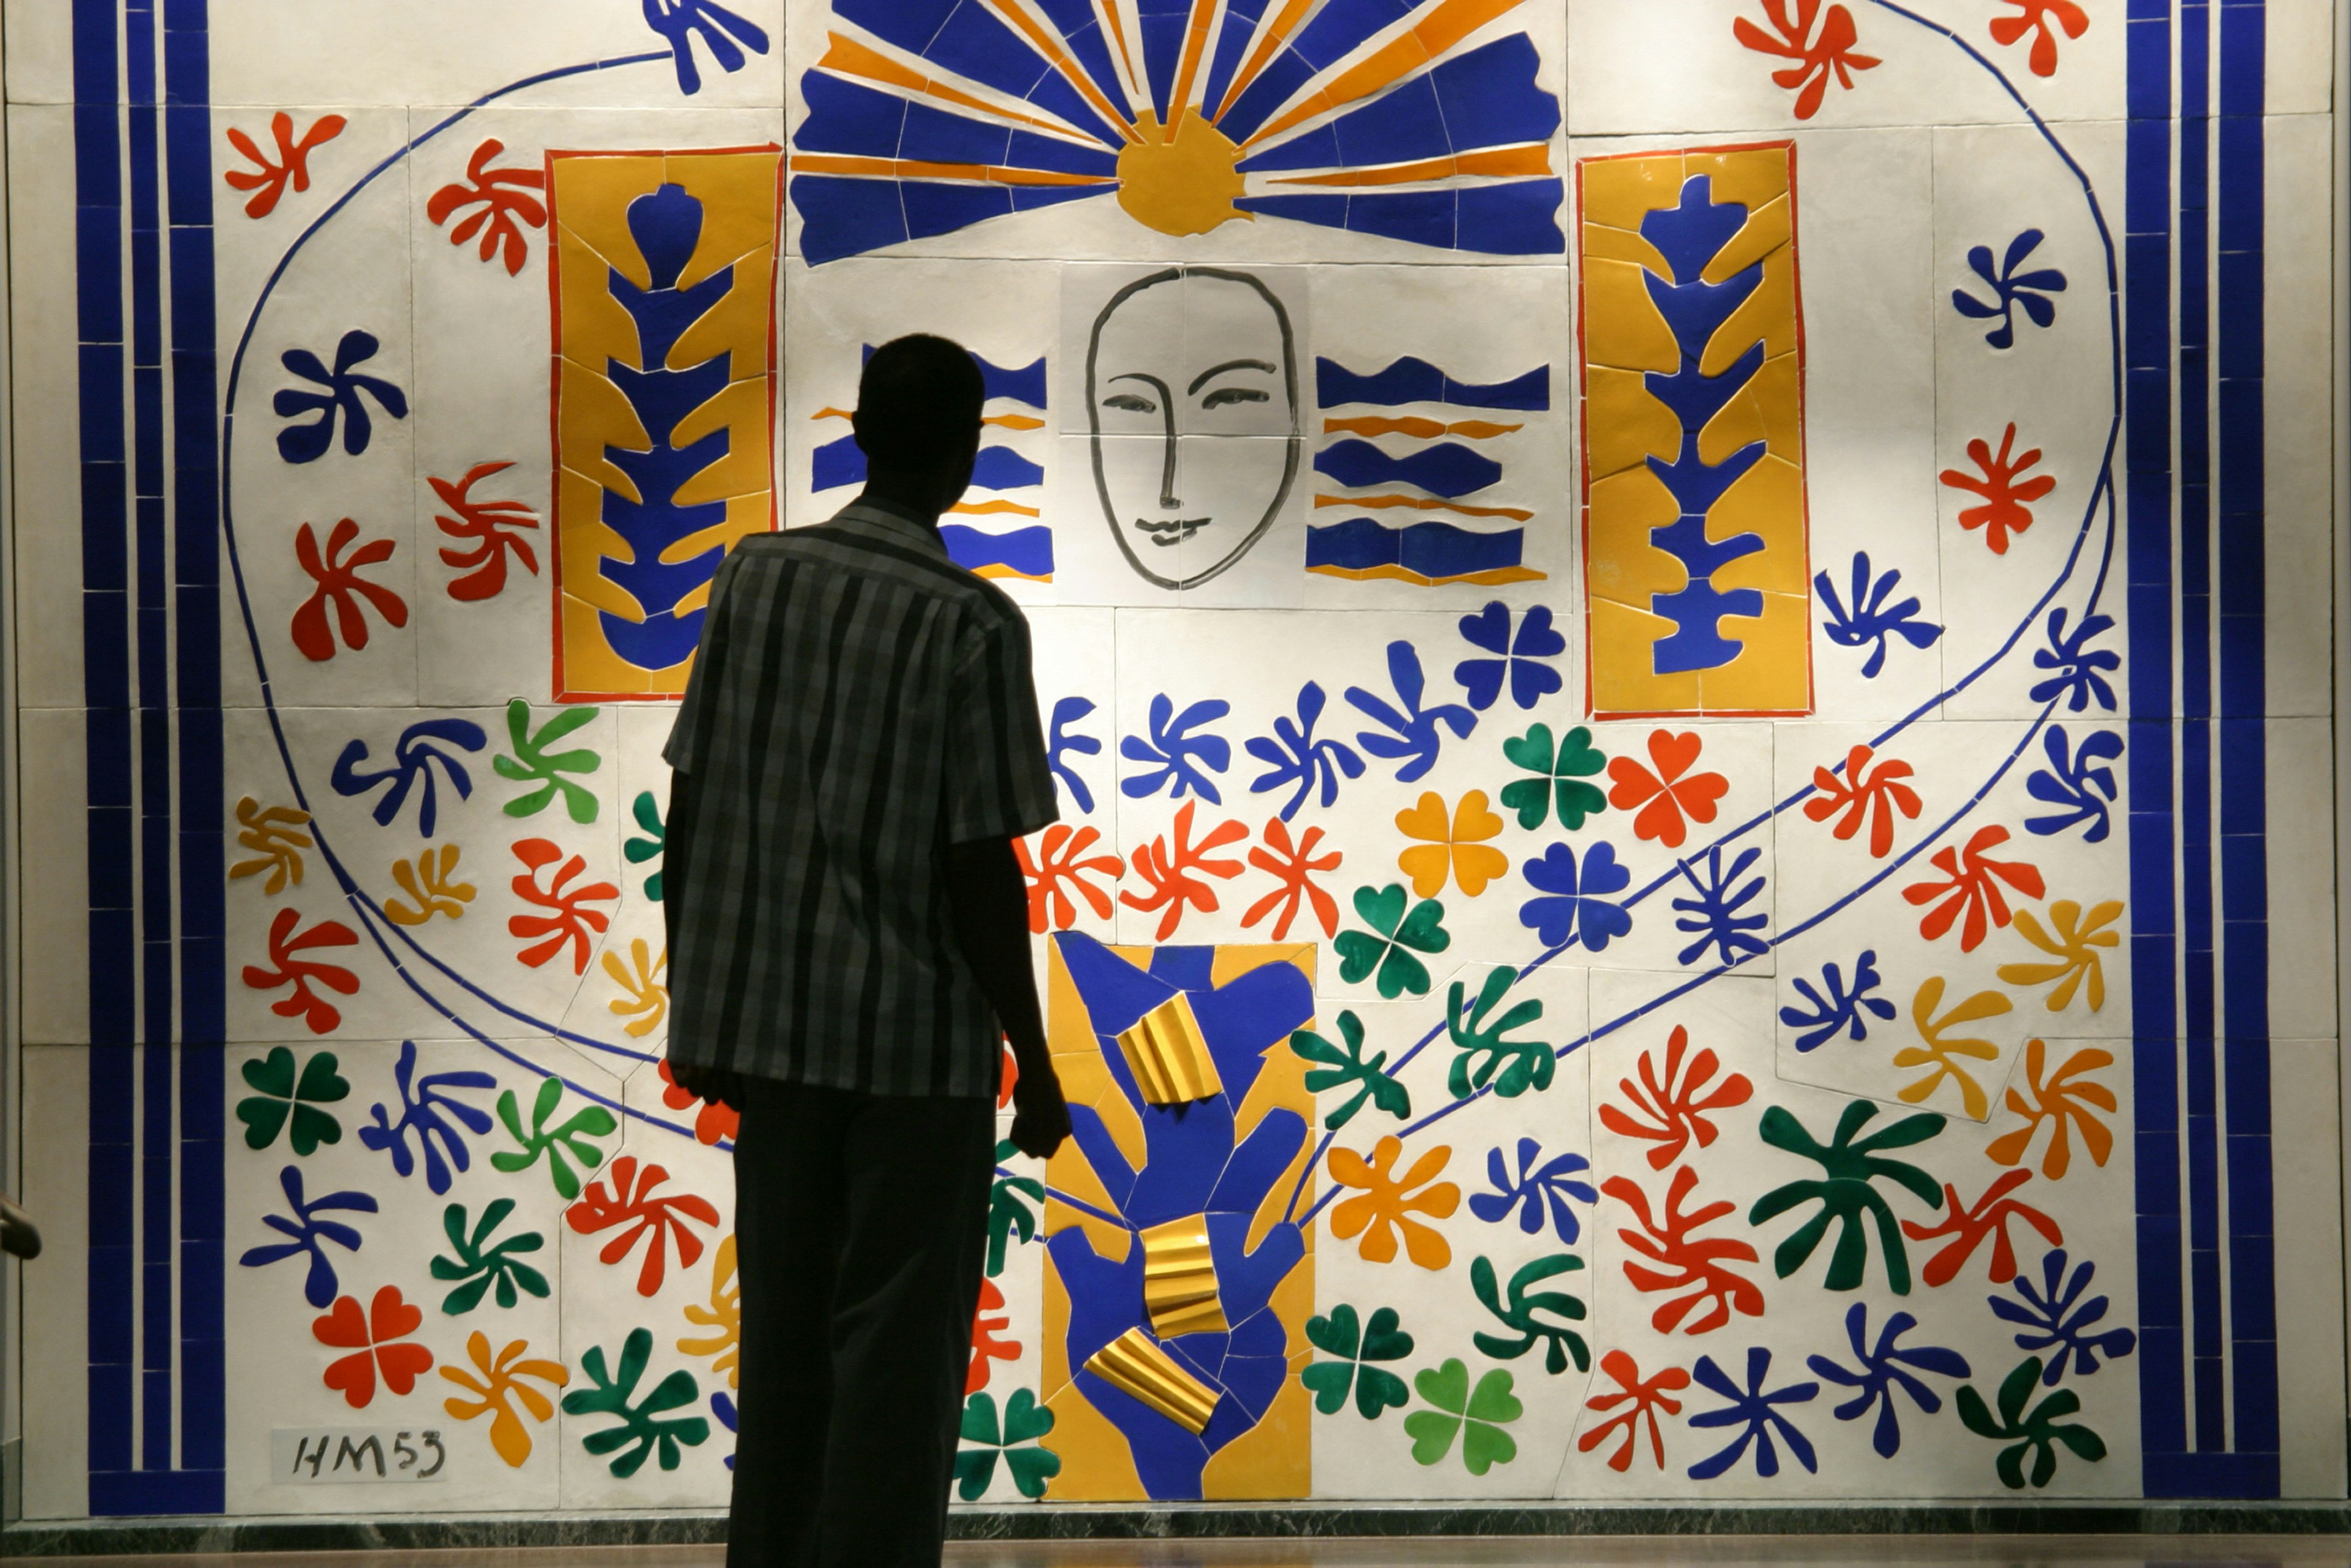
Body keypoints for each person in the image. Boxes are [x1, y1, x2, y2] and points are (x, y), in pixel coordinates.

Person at [661, 333, 1071, 1568]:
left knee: (782, 1352)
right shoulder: (972, 623)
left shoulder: (754, 578)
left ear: (856, 434)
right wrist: (1035, 1061)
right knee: (892, 1377)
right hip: (911, 1063)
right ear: (968, 453)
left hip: (774, 1051)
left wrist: (703, 1017)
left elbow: (696, 807)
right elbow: (976, 867)